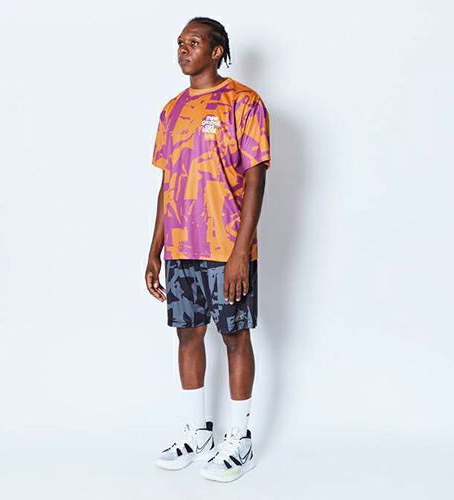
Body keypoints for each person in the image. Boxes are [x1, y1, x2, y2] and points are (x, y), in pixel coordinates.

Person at [145, 16, 271, 483]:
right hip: (182, 247)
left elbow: (256, 178)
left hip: (226, 247)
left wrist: (241, 251)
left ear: (216, 51)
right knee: (187, 335)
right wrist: (155, 248)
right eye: (180, 42)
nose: (183, 49)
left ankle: (241, 438)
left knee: (235, 336)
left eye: (193, 42)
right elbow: (167, 184)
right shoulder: (171, 110)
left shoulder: (244, 102)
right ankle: (197, 433)